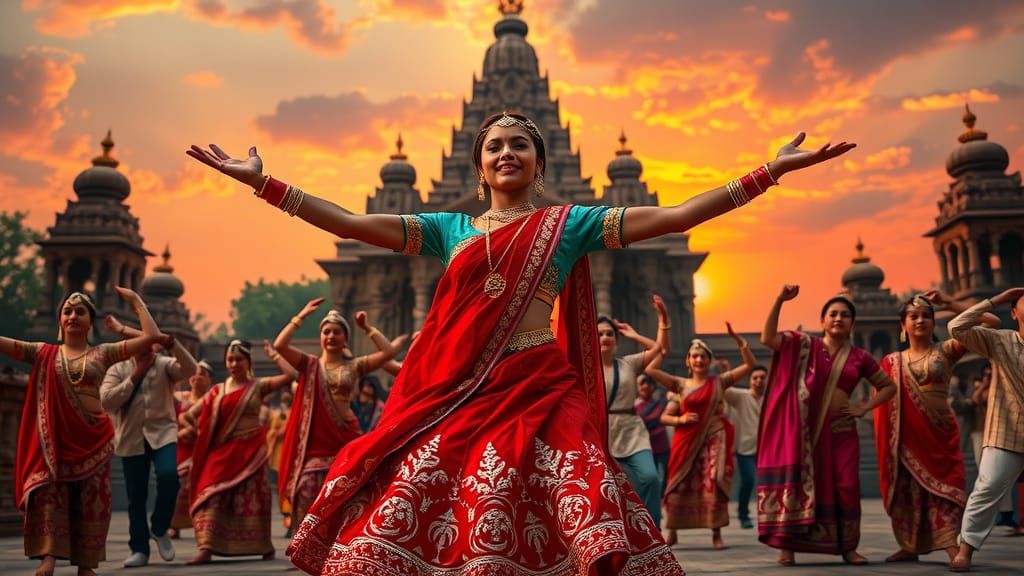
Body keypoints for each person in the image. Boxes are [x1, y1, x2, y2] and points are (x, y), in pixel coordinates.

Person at [187, 110, 853, 574]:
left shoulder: (572, 224)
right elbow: (354, 223)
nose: (507, 153)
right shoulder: (451, 229)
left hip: (541, 385)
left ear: (539, 161)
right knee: (441, 500)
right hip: (458, 391)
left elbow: (675, 214)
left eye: (520, 145)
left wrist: (769, 172)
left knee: (582, 494)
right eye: (495, 145)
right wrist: (263, 185)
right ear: (479, 165)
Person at [2, 288, 167, 576]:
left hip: (93, 440)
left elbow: (152, 338)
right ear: (60, 320)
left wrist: (136, 302)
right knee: (50, 496)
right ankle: (48, 558)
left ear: (91, 322)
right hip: (55, 439)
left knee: (92, 501)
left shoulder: (103, 353)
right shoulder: (43, 352)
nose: (73, 316)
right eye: (67, 311)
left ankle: (86, 564)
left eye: (80, 312)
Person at [759, 285, 897, 566]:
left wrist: (863, 408)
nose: (838, 318)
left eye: (845, 315)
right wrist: (779, 300)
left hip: (842, 433)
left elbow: (887, 386)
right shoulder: (804, 346)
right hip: (805, 434)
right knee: (799, 485)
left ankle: (848, 547)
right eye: (832, 314)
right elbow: (768, 338)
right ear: (822, 321)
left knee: (846, 486)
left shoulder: (859, 357)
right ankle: (788, 546)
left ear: (852, 323)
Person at [875, 292, 999, 564]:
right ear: (902, 325)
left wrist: (948, 303)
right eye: (913, 316)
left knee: (947, 489)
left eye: (926, 316)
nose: (920, 320)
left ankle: (951, 545)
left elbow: (991, 322)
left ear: (934, 322)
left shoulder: (947, 349)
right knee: (910, 490)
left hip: (940, 432)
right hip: (906, 436)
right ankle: (910, 545)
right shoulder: (891, 362)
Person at [273, 301, 401, 536]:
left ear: (345, 339)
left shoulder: (353, 366)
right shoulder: (309, 364)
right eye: (326, 331)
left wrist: (367, 327)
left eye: (337, 332)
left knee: (347, 494)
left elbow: (389, 353)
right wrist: (300, 315)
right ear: (320, 337)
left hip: (346, 439)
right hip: (315, 444)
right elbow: (280, 345)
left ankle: (340, 544)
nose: (331, 336)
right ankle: (306, 542)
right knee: (306, 490)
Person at [181, 339, 298, 564]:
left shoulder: (258, 386)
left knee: (253, 498)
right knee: (210, 495)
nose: (234, 364)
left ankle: (262, 545)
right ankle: (207, 547)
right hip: (222, 451)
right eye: (230, 359)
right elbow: (187, 415)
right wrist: (195, 431)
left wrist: (274, 355)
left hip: (251, 452)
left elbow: (292, 374)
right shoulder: (217, 391)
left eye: (239, 359)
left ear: (248, 362)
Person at [100, 315, 199, 567]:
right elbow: (107, 401)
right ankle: (139, 549)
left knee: (169, 476)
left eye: (149, 341)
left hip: (163, 432)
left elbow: (190, 369)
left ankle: (159, 526)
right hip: (131, 438)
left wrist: (172, 343)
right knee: (136, 495)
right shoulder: (118, 369)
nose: (145, 347)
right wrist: (136, 375)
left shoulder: (165, 365)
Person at [649, 325, 754, 549]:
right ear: (688, 361)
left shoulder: (719, 382)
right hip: (685, 441)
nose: (699, 360)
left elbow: (750, 365)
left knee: (714, 482)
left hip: (714, 438)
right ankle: (673, 531)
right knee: (678, 483)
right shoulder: (680, 384)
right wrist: (681, 419)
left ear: (709, 360)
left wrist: (739, 340)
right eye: (694, 356)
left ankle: (716, 533)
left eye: (703, 356)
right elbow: (651, 371)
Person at [948, 287, 1024, 572]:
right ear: (1014, 313)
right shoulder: (1000, 341)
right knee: (988, 487)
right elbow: (956, 326)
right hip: (1006, 432)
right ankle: (965, 549)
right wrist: (995, 301)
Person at [597, 295, 670, 529]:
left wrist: (635, 334)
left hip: (631, 429)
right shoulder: (586, 367)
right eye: (599, 334)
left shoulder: (627, 363)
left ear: (616, 338)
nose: (605, 337)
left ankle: (653, 531)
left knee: (649, 477)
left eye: (609, 333)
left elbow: (659, 349)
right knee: (607, 489)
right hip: (601, 431)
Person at [168, 360, 212, 539]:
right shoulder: (180, 397)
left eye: (202, 373)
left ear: (209, 379)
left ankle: (201, 524)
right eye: (194, 373)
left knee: (202, 489)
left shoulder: (213, 398)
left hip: (204, 448)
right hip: (181, 447)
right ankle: (174, 524)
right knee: (177, 486)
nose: (197, 377)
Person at [724, 364, 767, 529]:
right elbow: (722, 387)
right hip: (745, 448)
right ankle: (743, 514)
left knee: (768, 483)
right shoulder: (741, 396)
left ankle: (768, 514)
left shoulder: (772, 396)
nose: (759, 381)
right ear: (749, 380)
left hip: (768, 449)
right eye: (755, 378)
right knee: (748, 480)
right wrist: (726, 371)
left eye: (762, 378)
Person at [635, 373, 670, 500]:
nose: (645, 386)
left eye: (648, 382)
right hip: (644, 448)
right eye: (642, 383)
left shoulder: (660, 405)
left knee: (663, 477)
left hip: (661, 446)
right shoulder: (633, 407)